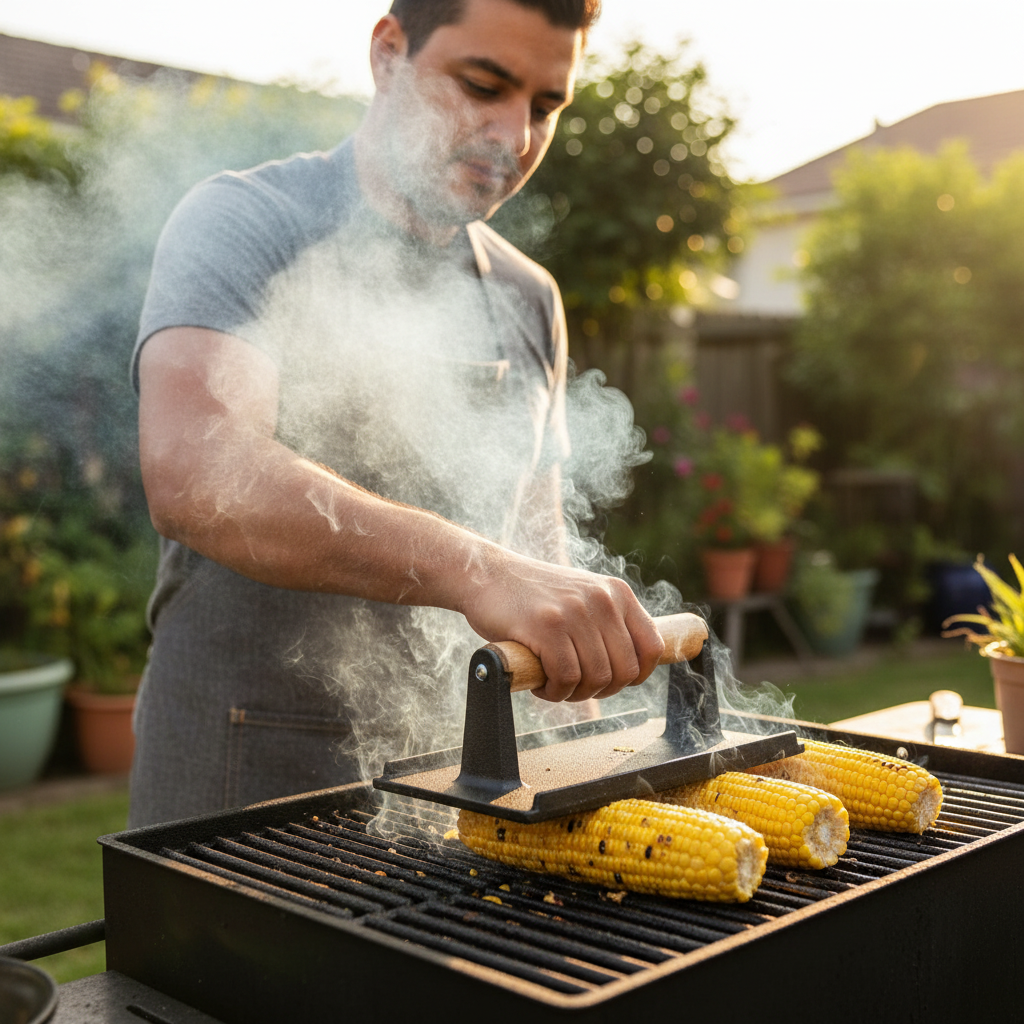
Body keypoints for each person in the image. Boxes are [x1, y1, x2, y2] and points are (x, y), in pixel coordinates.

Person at [128, 0, 665, 827]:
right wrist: (481, 571)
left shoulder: (528, 298)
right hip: (245, 789)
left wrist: (592, 788)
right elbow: (201, 474)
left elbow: (539, 559)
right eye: (483, 84)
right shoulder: (245, 223)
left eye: (546, 107)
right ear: (388, 53)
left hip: (459, 798)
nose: (515, 137)